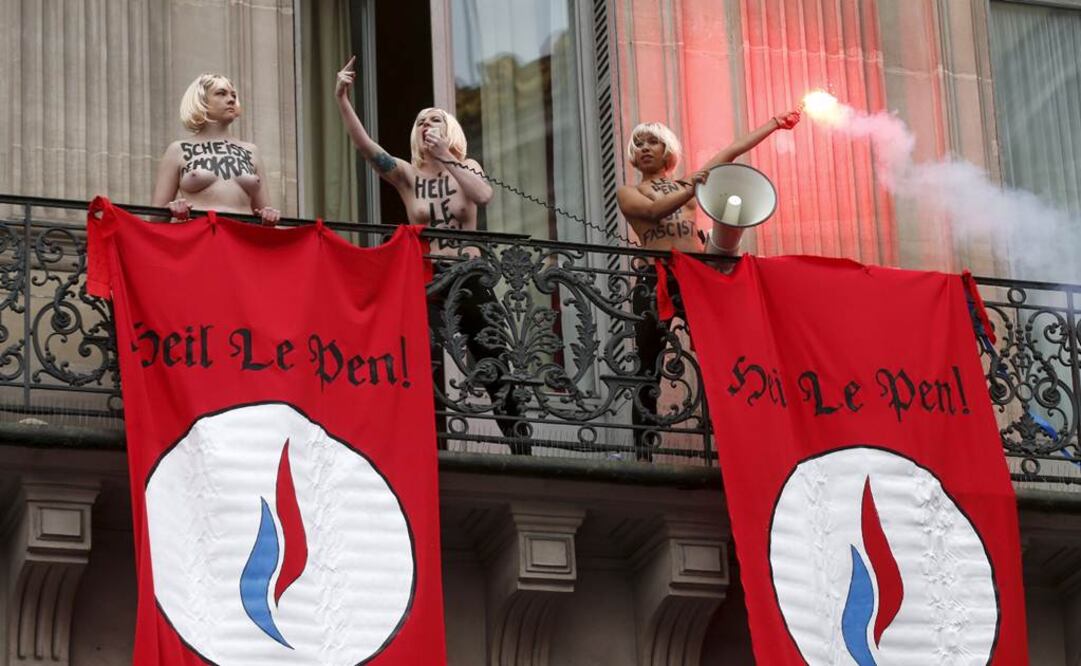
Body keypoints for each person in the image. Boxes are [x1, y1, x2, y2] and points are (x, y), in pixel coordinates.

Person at [334, 56, 526, 451]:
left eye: (434, 119)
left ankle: (518, 441)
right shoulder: (408, 176)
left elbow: (484, 196)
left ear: (448, 130)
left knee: (490, 355)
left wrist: (448, 158)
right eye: (421, 121)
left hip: (469, 274)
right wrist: (342, 99)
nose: (426, 125)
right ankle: (434, 443)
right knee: (427, 358)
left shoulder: (465, 165)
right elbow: (368, 150)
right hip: (428, 277)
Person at [617, 113, 800, 459]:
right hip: (653, 279)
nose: (644, 149)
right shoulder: (629, 191)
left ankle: (738, 437)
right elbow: (655, 212)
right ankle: (643, 450)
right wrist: (691, 185)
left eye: (652, 142)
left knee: (719, 355)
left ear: (667, 150)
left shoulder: (689, 183)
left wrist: (776, 123)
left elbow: (731, 152)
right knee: (647, 362)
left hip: (694, 276)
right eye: (638, 143)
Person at [152, 73, 280, 225]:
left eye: (233, 95)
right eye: (221, 93)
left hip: (242, 241)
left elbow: (267, 216)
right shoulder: (178, 150)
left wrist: (269, 215)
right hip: (201, 241)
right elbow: (155, 219)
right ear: (201, 100)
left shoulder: (252, 151)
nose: (231, 99)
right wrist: (171, 209)